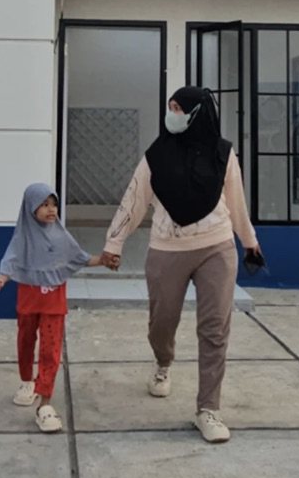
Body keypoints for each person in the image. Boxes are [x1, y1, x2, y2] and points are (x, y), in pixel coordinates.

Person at [100, 86, 261, 444]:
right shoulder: (157, 155)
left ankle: (208, 409)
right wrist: (114, 242)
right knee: (162, 323)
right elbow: (134, 199)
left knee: (215, 329)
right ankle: (163, 363)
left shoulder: (223, 153)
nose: (171, 113)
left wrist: (249, 241)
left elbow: (236, 202)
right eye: (170, 107)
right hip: (167, 248)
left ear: (197, 114)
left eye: (178, 108)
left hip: (216, 246)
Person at [0, 183, 103, 433]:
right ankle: (27, 381)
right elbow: (10, 261)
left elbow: (80, 258)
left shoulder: (61, 236)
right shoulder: (23, 236)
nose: (51, 210)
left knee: (51, 350)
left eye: (54, 204)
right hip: (29, 300)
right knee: (25, 341)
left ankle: (45, 403)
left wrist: (104, 260)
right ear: (30, 208)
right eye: (44, 205)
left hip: (54, 302)